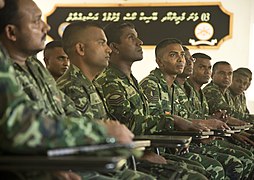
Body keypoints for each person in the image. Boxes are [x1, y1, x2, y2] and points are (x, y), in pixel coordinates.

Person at [0, 0, 140, 179]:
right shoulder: (0, 62)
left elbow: (67, 112)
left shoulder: (35, 67)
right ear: (11, 32)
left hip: (59, 163)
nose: (46, 27)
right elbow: (15, 126)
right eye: (36, 21)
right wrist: (100, 132)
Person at [57, 21, 208, 180]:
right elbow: (88, 139)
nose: (107, 49)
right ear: (81, 49)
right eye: (102, 43)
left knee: (198, 171)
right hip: (100, 166)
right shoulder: (75, 87)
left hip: (122, 157)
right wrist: (136, 153)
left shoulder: (91, 83)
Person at [175, 50, 254, 180]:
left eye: (209, 68)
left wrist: (217, 121)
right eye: (201, 67)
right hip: (187, 143)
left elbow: (204, 116)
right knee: (240, 161)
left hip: (204, 138)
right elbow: (181, 119)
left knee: (246, 154)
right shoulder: (207, 90)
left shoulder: (196, 91)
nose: (207, 71)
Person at [202, 61, 254, 151]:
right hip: (214, 137)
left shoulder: (226, 93)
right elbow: (228, 114)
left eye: (229, 74)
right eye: (222, 73)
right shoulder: (211, 90)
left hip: (228, 133)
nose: (226, 77)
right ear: (212, 75)